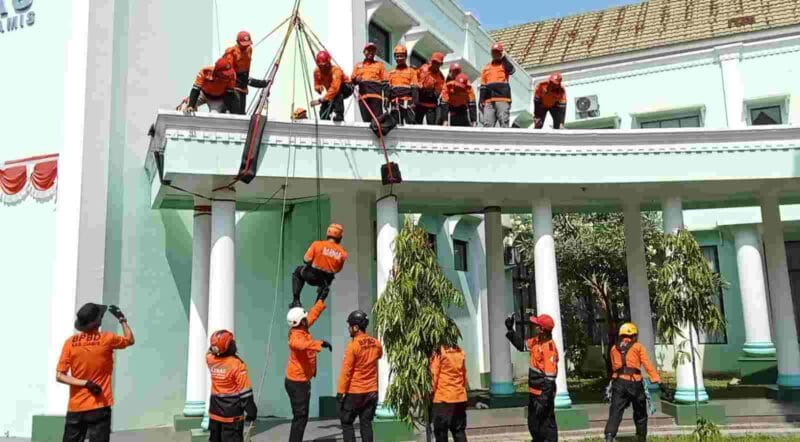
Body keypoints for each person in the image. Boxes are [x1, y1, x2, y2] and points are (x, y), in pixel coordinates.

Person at [56, 303, 134, 442]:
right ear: (97, 322)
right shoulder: (108, 339)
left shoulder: (70, 343)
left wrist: (85, 383)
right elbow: (130, 340)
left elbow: (60, 376)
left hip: (76, 406)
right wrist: (122, 320)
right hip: (99, 405)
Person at [604, 323, 661, 442]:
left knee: (615, 411)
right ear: (634, 335)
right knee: (640, 411)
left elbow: (614, 366)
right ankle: (641, 437)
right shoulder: (638, 347)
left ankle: (609, 436)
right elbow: (647, 364)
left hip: (618, 383)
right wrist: (656, 379)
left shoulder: (614, 348)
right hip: (635, 383)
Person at [506, 313, 558, 442]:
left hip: (543, 394)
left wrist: (543, 400)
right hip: (534, 393)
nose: (533, 326)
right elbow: (521, 345)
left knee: (547, 426)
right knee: (533, 425)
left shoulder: (549, 348)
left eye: (536, 325)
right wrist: (510, 330)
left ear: (542, 329)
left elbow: (550, 378)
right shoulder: (536, 341)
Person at [286, 299, 332, 442]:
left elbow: (312, 315)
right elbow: (302, 345)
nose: (308, 319)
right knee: (300, 417)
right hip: (297, 383)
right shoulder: (295, 337)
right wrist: (320, 343)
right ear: (301, 321)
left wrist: (320, 301)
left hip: (301, 380)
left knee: (301, 416)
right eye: (305, 318)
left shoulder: (302, 328)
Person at [337, 310, 383, 442]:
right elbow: (379, 355)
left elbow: (346, 371)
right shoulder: (376, 343)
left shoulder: (353, 346)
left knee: (346, 422)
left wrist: (340, 393)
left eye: (350, 326)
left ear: (356, 327)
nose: (348, 328)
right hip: (372, 392)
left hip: (355, 392)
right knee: (366, 424)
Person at [206, 330, 257, 442]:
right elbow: (245, 393)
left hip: (214, 413)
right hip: (232, 416)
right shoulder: (237, 365)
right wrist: (252, 412)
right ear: (230, 345)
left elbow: (209, 352)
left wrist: (215, 346)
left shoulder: (210, 360)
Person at [290, 223, 348, 308]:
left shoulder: (317, 244)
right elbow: (337, 269)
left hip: (310, 276)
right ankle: (317, 305)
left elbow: (306, 260)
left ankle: (296, 301)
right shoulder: (343, 253)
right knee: (327, 283)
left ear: (328, 234)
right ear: (340, 237)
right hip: (325, 281)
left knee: (298, 271)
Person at [429, 344, 468, 442]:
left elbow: (434, 377)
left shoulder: (439, 352)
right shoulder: (459, 351)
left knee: (441, 433)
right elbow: (463, 375)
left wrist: (427, 393)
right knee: (459, 432)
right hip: (459, 398)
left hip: (443, 399)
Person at [223, 30, 268, 114]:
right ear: (237, 42)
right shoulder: (231, 52)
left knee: (241, 113)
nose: (245, 46)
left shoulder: (249, 50)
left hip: (243, 88)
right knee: (235, 113)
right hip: (234, 87)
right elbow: (228, 72)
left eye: (247, 44)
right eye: (243, 44)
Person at [479, 42, 515, 127]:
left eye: (498, 52)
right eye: (494, 52)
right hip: (488, 100)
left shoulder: (505, 64)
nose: (496, 54)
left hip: (502, 98)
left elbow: (512, 71)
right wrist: (481, 99)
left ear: (501, 53)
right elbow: (483, 85)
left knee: (504, 122)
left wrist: (504, 57)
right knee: (487, 124)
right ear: (491, 53)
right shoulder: (486, 67)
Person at [311, 50, 352, 122]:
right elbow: (316, 84)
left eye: (324, 65)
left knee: (337, 94)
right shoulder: (317, 72)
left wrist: (322, 100)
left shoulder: (336, 71)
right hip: (332, 92)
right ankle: (325, 120)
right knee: (324, 107)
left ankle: (339, 115)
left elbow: (335, 88)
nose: (323, 68)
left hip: (346, 87)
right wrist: (318, 88)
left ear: (329, 63)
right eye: (320, 66)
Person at [351, 42, 387, 123]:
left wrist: (386, 97)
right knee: (366, 122)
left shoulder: (380, 65)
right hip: (363, 97)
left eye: (373, 50)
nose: (371, 52)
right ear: (364, 52)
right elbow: (352, 81)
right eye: (368, 50)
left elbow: (385, 82)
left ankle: (380, 135)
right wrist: (356, 79)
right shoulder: (358, 65)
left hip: (376, 96)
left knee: (378, 121)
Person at [387, 44, 419, 125]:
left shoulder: (411, 71)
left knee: (410, 125)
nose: (399, 58)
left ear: (405, 57)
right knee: (395, 126)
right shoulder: (391, 73)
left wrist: (414, 103)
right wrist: (387, 101)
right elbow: (389, 90)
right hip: (395, 103)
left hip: (407, 103)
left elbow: (414, 88)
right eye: (397, 56)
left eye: (401, 56)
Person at [415, 52, 446, 125]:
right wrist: (418, 86)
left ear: (441, 64)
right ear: (431, 61)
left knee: (431, 126)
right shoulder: (423, 68)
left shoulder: (441, 77)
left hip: (431, 106)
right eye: (434, 62)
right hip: (419, 103)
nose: (435, 64)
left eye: (437, 63)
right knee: (416, 125)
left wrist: (432, 91)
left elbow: (438, 93)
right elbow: (414, 77)